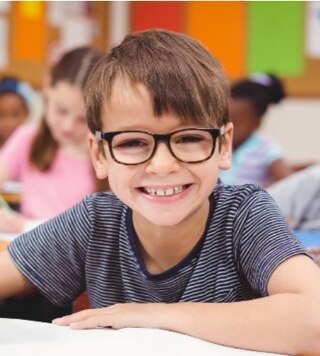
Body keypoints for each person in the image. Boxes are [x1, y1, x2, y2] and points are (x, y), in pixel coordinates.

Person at [1, 29, 320, 354]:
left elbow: (314, 320)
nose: (163, 165)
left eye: (189, 138)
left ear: (223, 146)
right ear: (99, 155)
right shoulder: (95, 221)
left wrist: (152, 315)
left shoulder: (244, 214)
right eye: (133, 143)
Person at [0, 47, 103, 233]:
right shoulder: (28, 139)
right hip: (28, 251)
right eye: (61, 110)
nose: (68, 126)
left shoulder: (108, 156)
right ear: (47, 88)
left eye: (83, 119)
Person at [220, 73, 292, 187]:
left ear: (256, 123)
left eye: (236, 123)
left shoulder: (266, 149)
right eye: (224, 122)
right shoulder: (218, 145)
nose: (228, 128)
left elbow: (289, 183)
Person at [0, 76, 33, 149]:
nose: (8, 122)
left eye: (15, 114)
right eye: (1, 115)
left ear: (27, 112)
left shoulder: (33, 148)